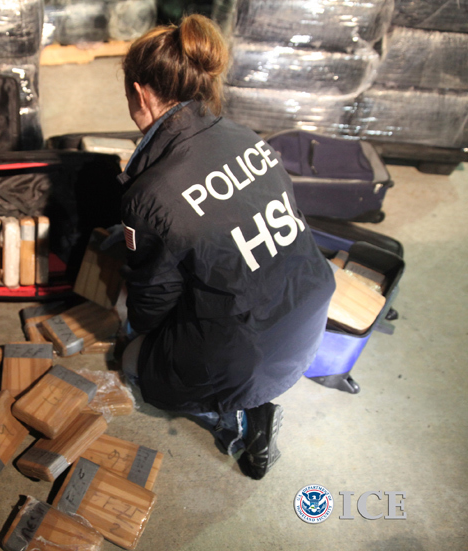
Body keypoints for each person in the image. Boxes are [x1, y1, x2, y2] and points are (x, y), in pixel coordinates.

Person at [115, 14, 336, 480]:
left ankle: (237, 419)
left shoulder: (149, 193)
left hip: (247, 354)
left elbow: (152, 307)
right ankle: (248, 390)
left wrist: (138, 325)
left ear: (140, 93)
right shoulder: (246, 136)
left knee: (133, 361)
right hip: (308, 317)